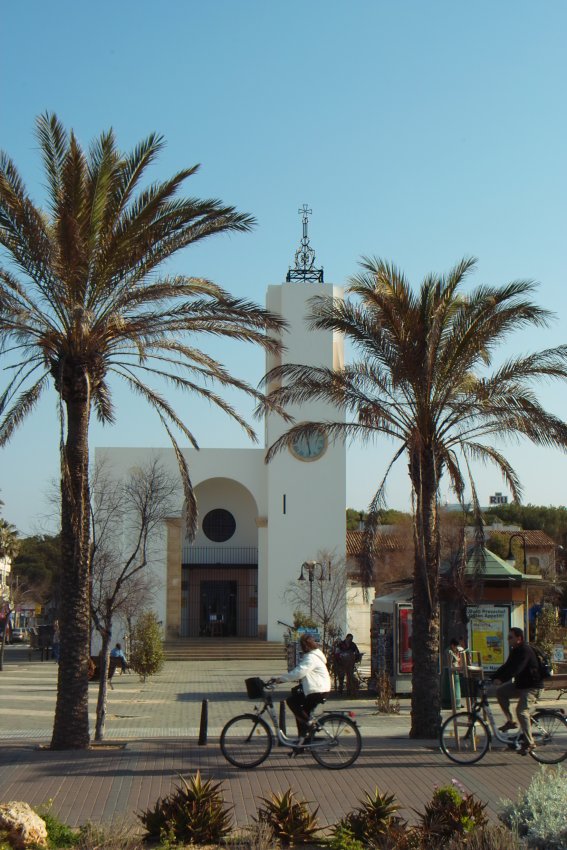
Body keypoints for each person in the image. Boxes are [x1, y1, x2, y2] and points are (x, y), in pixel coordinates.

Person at [490, 626, 543, 755]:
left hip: (532, 687)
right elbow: (507, 666)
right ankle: (510, 721)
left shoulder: (525, 650)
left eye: (510, 637)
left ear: (519, 638)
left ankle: (530, 742)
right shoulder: (515, 650)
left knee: (521, 711)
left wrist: (502, 679)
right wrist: (492, 677)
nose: (508, 640)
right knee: (501, 692)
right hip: (521, 686)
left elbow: (517, 669)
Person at [275, 633, 331, 738]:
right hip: (319, 689)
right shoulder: (315, 655)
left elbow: (299, 672)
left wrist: (280, 679)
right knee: (301, 713)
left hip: (318, 690)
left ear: (305, 646)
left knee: (292, 702)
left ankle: (310, 726)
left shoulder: (311, 658)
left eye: (302, 645)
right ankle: (302, 740)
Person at [442, 637, 463, 709]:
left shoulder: (458, 649)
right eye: (455, 646)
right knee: (451, 687)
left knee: (457, 686)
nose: (456, 647)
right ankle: (451, 703)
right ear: (452, 645)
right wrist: (458, 658)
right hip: (449, 670)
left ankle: (458, 702)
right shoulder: (448, 651)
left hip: (456, 670)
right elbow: (453, 660)